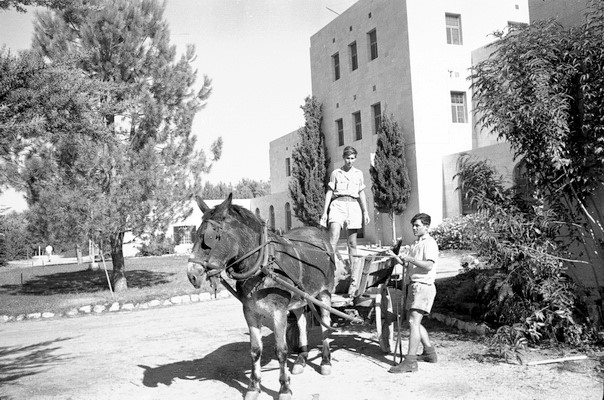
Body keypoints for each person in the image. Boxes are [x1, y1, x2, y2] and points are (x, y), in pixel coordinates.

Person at [387, 213, 439, 373]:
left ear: (427, 227)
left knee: (413, 322)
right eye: (413, 226)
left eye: (417, 225)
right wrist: (396, 257)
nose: (414, 228)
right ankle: (430, 354)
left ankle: (410, 362)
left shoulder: (429, 243)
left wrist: (411, 259)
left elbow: (429, 265)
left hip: (423, 286)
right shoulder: (416, 243)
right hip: (414, 285)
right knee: (415, 322)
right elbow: (409, 265)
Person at [320, 146, 370, 296]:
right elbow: (329, 192)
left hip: (353, 206)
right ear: (343, 158)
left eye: (352, 158)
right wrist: (324, 212)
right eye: (347, 158)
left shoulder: (358, 174)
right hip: (338, 205)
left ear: (355, 158)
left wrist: (365, 211)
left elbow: (361, 193)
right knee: (333, 237)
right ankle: (331, 270)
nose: (350, 161)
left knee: (352, 242)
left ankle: (354, 274)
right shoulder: (336, 173)